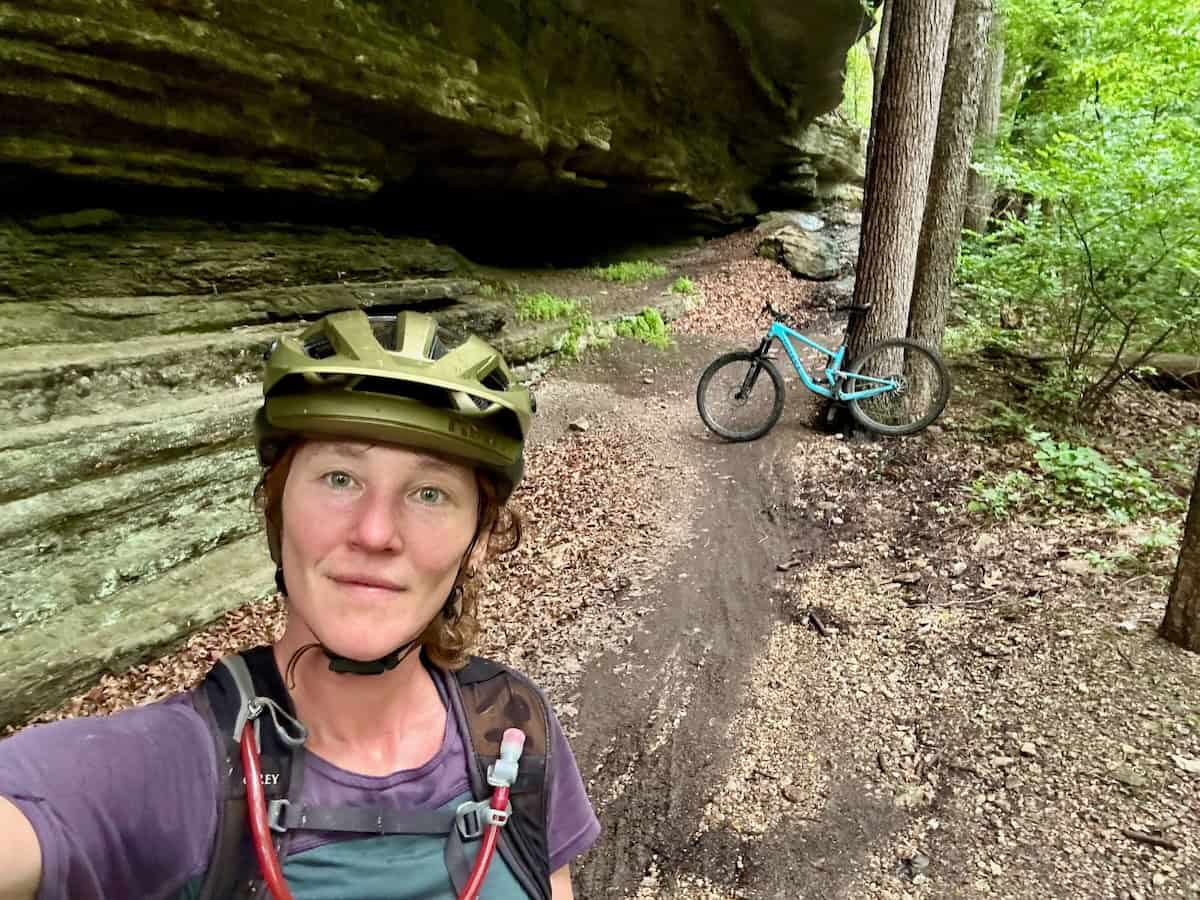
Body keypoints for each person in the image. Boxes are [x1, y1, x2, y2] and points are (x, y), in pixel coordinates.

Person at [0, 309, 600, 900]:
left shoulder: (516, 727)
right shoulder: (173, 770)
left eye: (429, 492)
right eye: (340, 478)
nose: (374, 532)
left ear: (477, 541)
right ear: (277, 507)